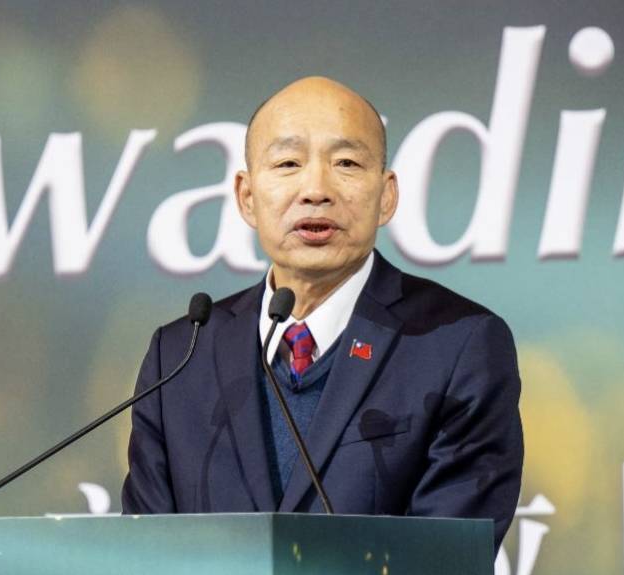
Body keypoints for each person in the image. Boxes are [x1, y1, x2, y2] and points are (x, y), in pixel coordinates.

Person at [121, 77, 522, 548]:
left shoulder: (456, 345)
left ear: (386, 196)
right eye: (288, 163)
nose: (315, 190)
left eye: (346, 163)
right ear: (247, 197)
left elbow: (446, 564)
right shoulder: (180, 357)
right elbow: (146, 562)